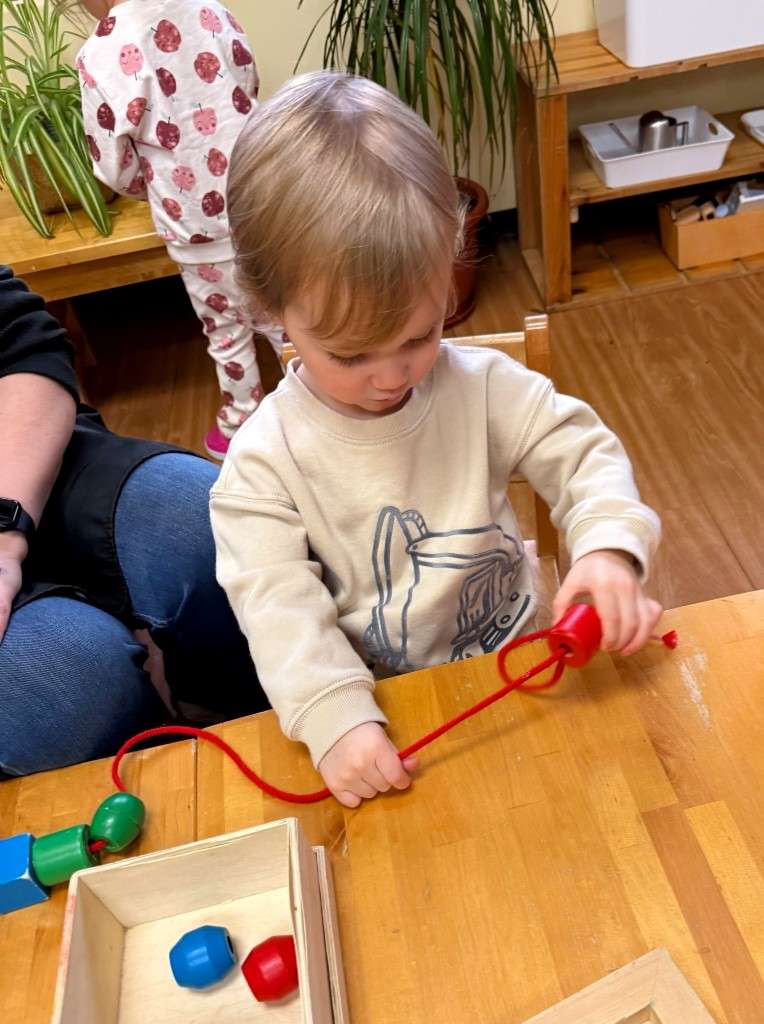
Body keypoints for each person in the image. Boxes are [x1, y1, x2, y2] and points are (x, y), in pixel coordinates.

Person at [210, 72, 663, 810]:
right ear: (270, 309)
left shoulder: (481, 388)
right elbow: (278, 609)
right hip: (391, 719)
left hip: (525, 673)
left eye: (420, 336)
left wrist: (609, 549)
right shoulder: (263, 465)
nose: (392, 376)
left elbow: (584, 455)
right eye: (350, 354)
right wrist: (335, 717)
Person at [0, 266, 266, 777]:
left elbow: (22, 341)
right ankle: (161, 774)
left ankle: (236, 711)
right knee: (68, 675)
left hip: (16, 457)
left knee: (204, 521)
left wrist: (4, 533)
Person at [73, 0, 283, 459]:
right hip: (261, 195)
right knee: (287, 310)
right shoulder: (206, 8)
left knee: (224, 326)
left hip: (193, 222)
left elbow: (113, 167)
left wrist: (152, 188)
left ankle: (242, 419)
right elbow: (247, 81)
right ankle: (320, 399)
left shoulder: (100, 53)